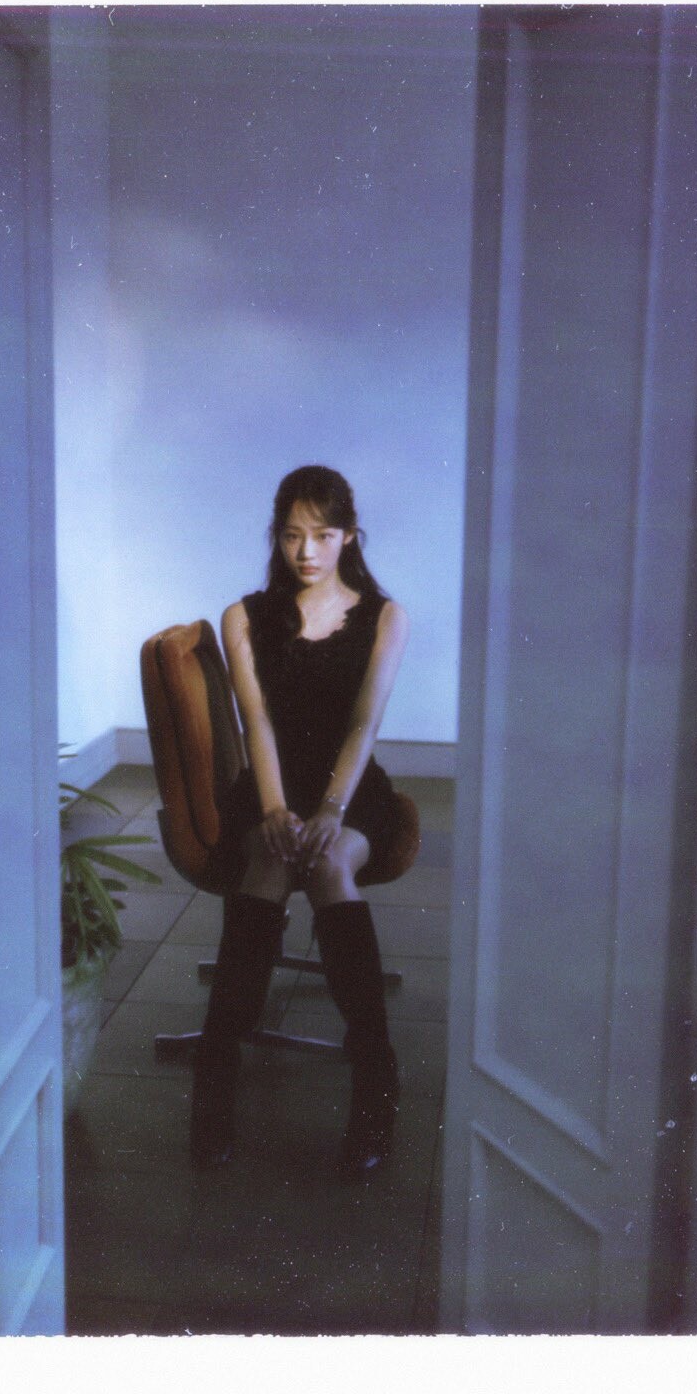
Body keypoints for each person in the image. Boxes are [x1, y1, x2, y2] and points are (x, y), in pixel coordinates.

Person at [190, 464, 410, 1178]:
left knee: (330, 860)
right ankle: (214, 1081)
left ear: (349, 536)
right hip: (271, 784)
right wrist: (275, 807)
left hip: (351, 786)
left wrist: (332, 810)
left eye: (321, 535)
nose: (306, 551)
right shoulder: (244, 615)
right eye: (291, 535)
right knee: (268, 857)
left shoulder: (384, 616)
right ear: (276, 537)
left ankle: (376, 1079)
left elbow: (364, 724)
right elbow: (255, 722)